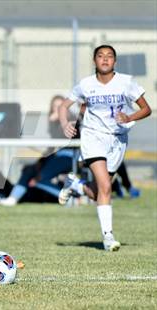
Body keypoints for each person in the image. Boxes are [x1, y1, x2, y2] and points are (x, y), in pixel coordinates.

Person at [58, 45, 151, 251]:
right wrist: (66, 124)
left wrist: (129, 117)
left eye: (110, 56)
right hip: (93, 138)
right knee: (106, 188)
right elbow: (63, 106)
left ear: (115, 62)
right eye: (101, 56)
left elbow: (146, 109)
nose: (105, 59)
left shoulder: (126, 82)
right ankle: (108, 237)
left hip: (117, 140)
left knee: (99, 191)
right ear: (94, 61)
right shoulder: (86, 84)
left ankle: (76, 186)